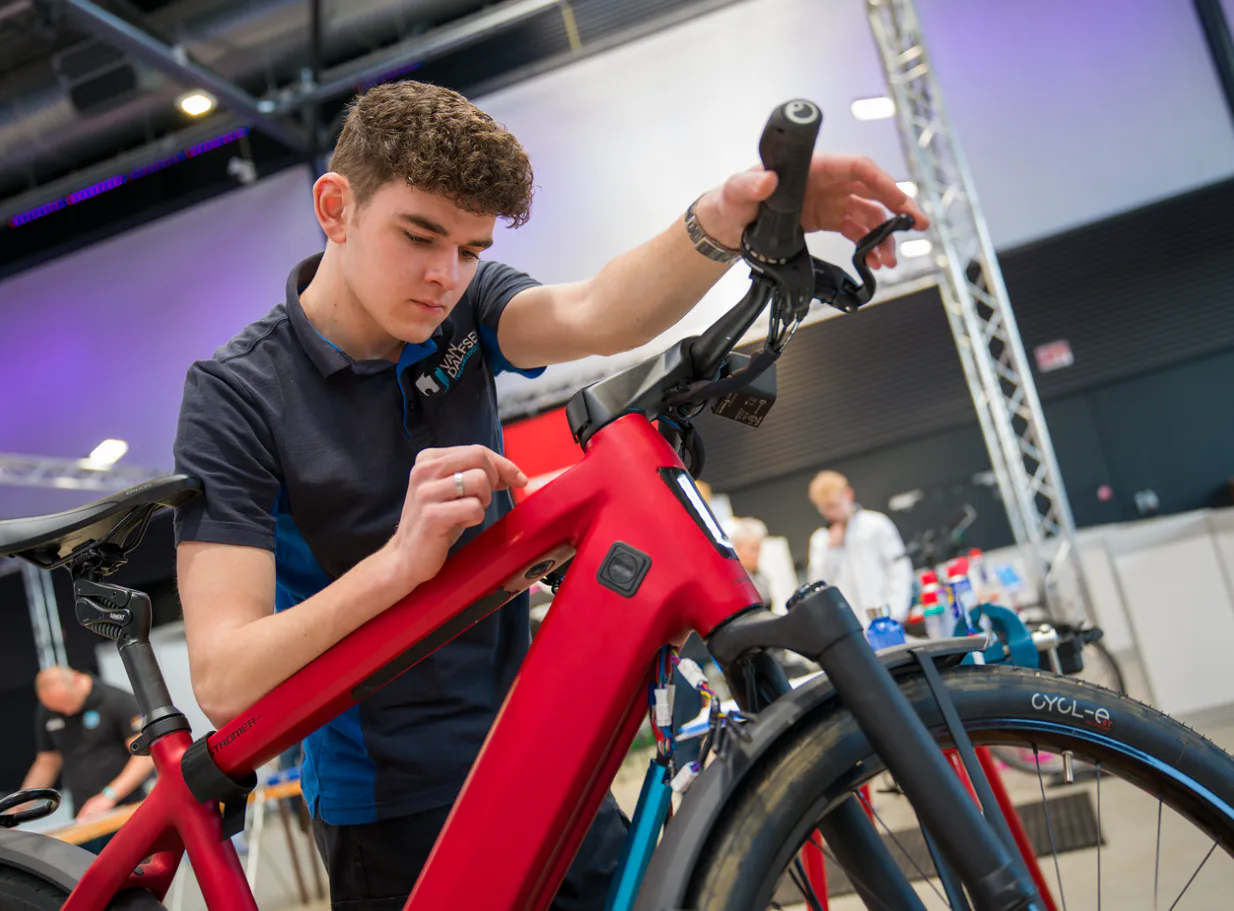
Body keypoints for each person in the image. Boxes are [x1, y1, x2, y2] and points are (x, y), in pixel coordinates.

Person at [171, 80, 926, 909]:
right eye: (419, 237)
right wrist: (398, 563)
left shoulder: (464, 313)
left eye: (469, 249)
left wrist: (730, 215)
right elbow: (226, 677)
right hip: (394, 803)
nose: (444, 276)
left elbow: (599, 310)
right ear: (335, 206)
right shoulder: (236, 395)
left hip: (537, 742)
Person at [18, 667, 154, 852]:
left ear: (76, 679)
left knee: (136, 870)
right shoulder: (48, 711)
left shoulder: (116, 700)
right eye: (57, 709)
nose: (65, 711)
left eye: (67, 703)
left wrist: (108, 796)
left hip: (125, 808)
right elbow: (47, 763)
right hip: (84, 816)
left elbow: (145, 757)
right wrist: (17, 809)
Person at [806, 470, 913, 624]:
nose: (831, 513)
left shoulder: (875, 524)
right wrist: (831, 550)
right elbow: (819, 587)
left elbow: (899, 569)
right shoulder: (821, 540)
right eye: (825, 509)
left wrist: (897, 612)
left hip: (886, 617)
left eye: (834, 505)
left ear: (848, 494)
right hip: (850, 626)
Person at [729, 516, 772, 608]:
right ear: (738, 548)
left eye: (758, 549)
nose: (757, 554)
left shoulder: (763, 578)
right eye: (753, 549)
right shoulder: (733, 581)